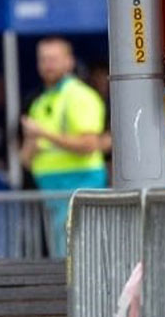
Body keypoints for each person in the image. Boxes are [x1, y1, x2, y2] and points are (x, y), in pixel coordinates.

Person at [20, 37, 107, 258]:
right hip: (51, 190)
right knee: (62, 257)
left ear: (69, 62)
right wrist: (31, 146)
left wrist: (43, 134)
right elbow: (26, 159)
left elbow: (89, 144)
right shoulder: (40, 101)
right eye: (43, 59)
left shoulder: (80, 96)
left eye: (53, 59)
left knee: (82, 257)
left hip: (80, 185)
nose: (48, 64)